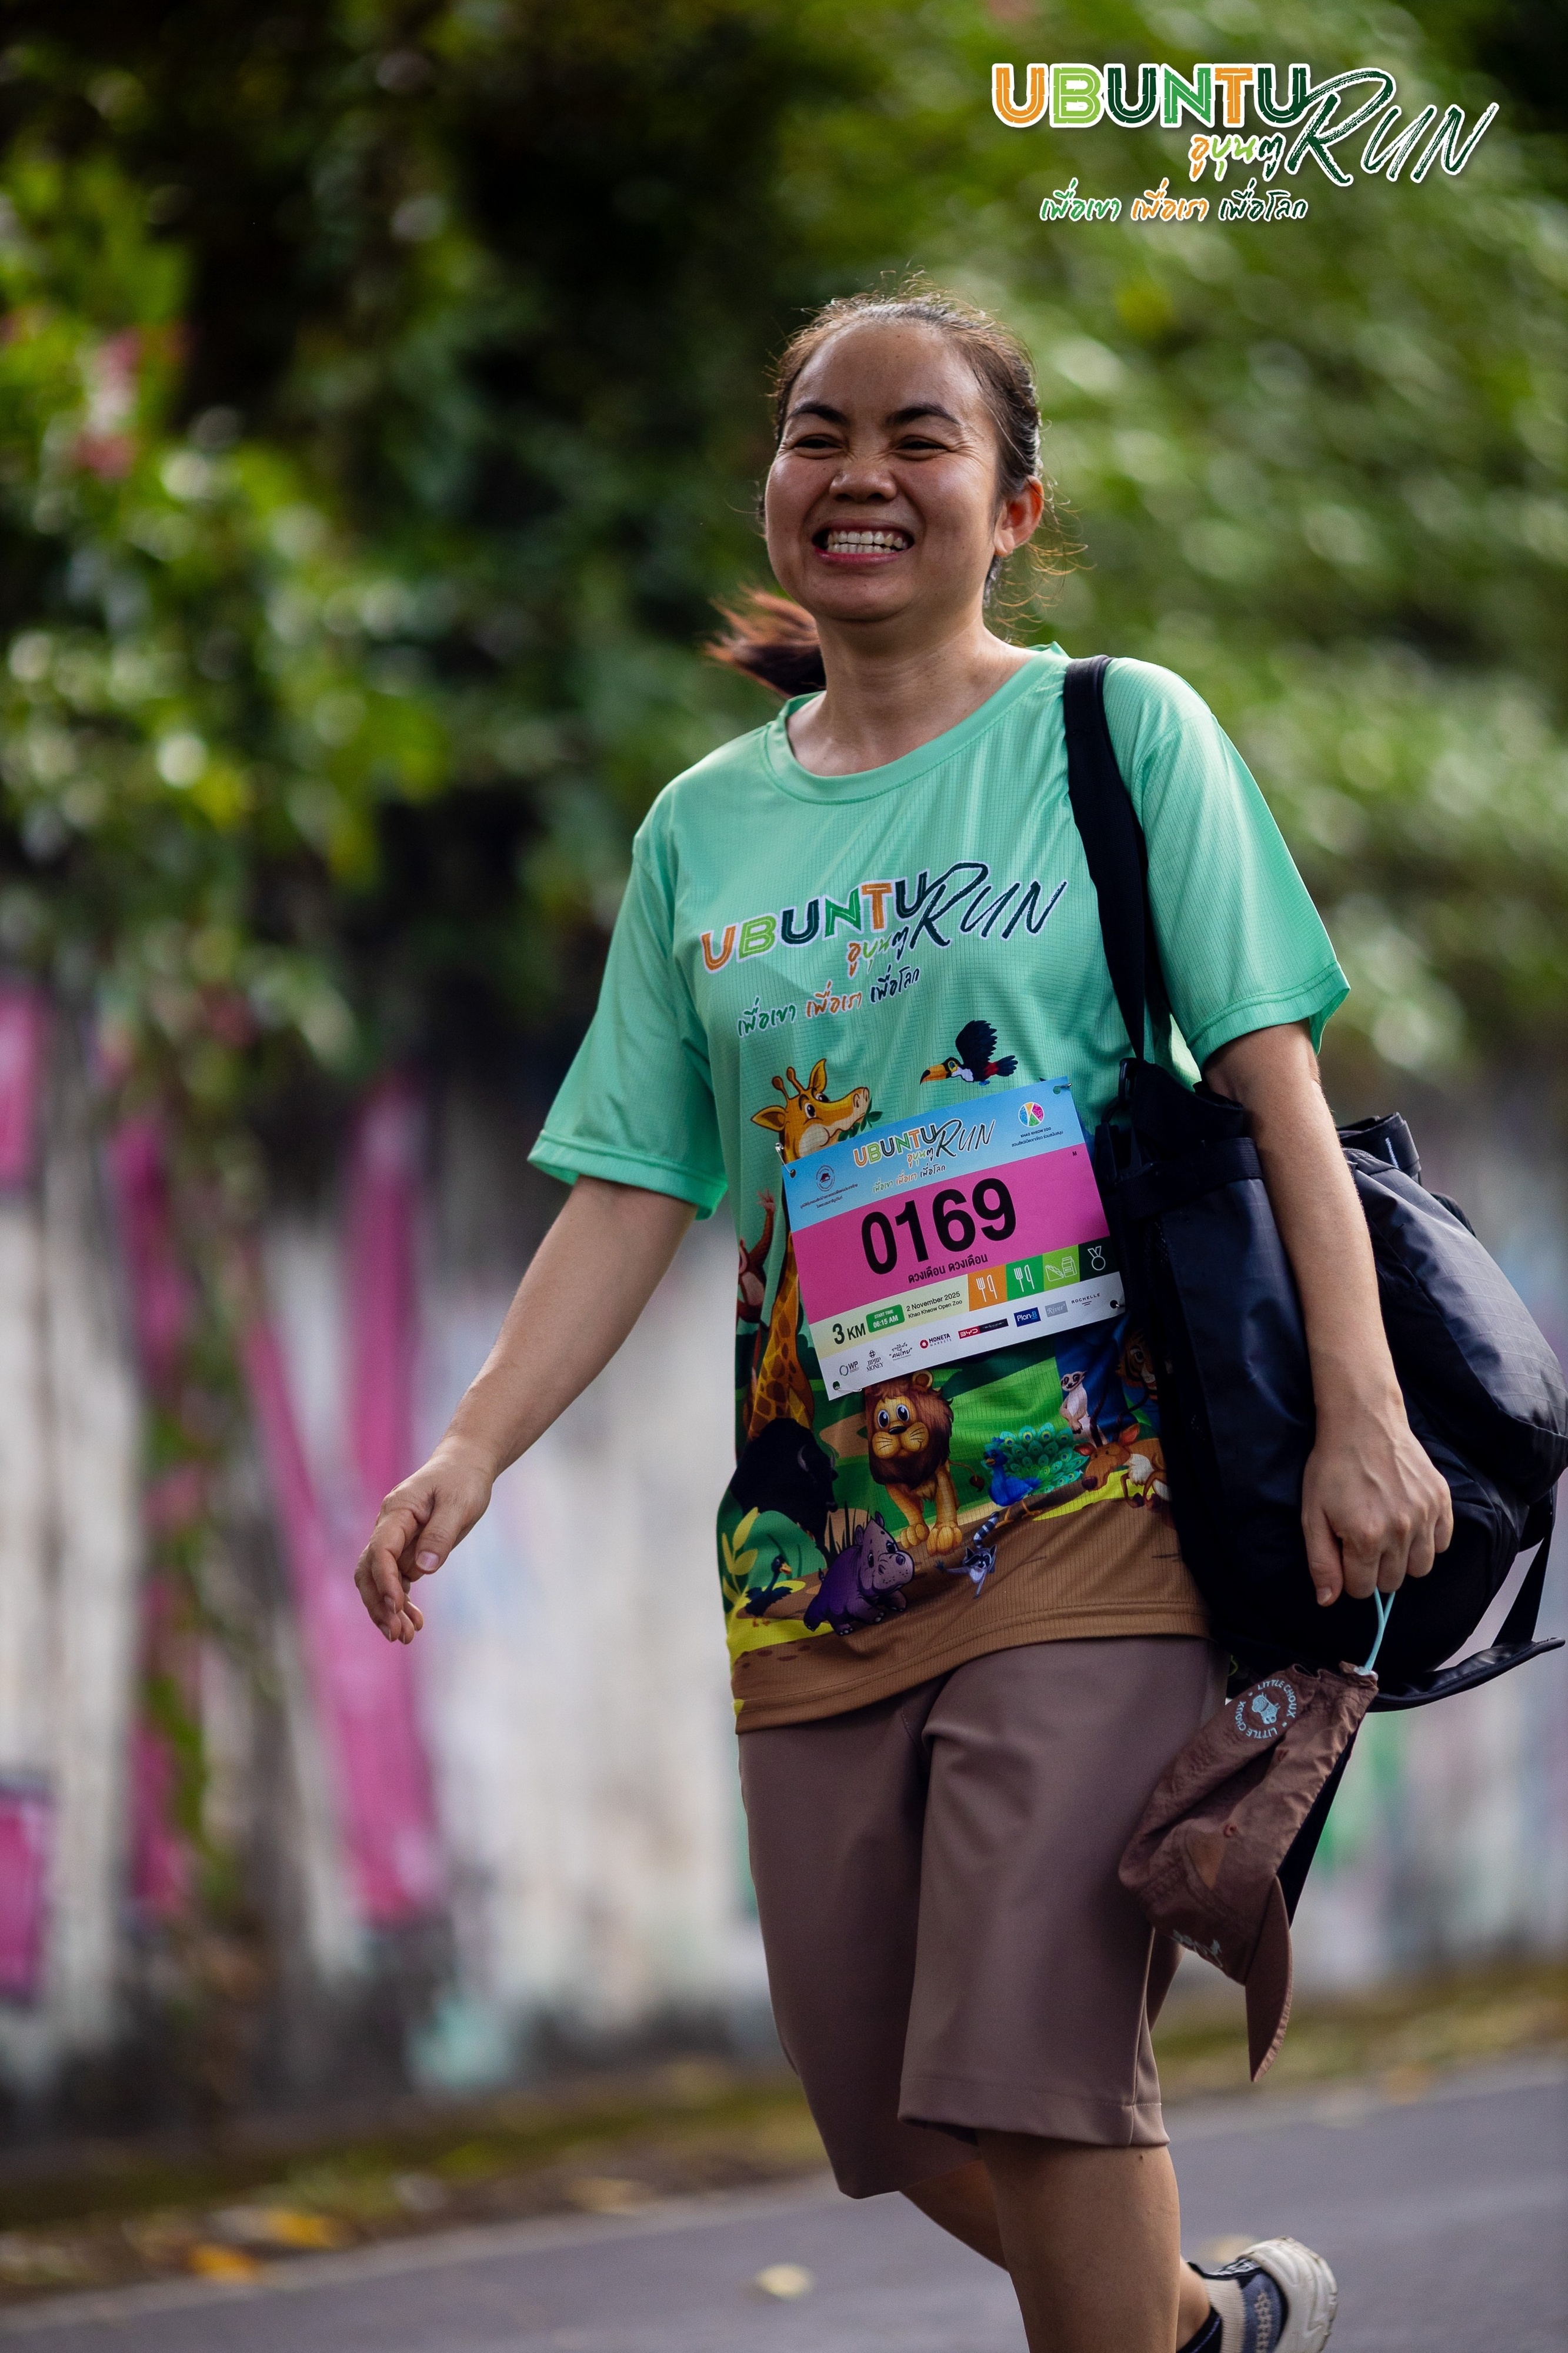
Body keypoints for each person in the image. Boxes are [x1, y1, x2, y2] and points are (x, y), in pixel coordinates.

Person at [355, 287, 1451, 2353]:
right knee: (881, 2109)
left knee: (1030, 2070)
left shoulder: (1117, 735)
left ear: (1011, 505)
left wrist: (1357, 1410)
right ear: (774, 487)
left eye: (917, 437)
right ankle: (1198, 2330)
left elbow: (1272, 1085)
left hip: (1096, 1505)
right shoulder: (704, 827)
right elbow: (634, 1181)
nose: (860, 473)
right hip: (815, 1544)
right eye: (818, 433)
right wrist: (472, 1444)